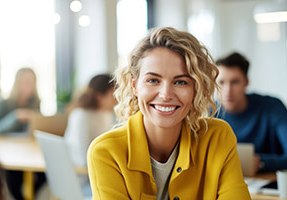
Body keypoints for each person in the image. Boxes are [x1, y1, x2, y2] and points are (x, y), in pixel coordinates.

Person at [87, 27, 250, 199]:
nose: (165, 95)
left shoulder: (217, 137)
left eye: (180, 82)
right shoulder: (106, 152)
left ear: (196, 88)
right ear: (135, 86)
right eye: (153, 80)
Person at [216, 52, 287, 174]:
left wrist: (261, 162)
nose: (228, 90)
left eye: (235, 82)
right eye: (221, 82)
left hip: (269, 187)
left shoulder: (272, 107)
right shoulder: (209, 113)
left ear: (246, 82)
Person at [0, 67, 46, 200]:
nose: (30, 85)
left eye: (32, 82)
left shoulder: (35, 102)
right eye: (26, 81)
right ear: (18, 82)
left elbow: (39, 128)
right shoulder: (3, 103)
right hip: (10, 152)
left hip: (30, 151)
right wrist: (15, 117)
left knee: (44, 174)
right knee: (13, 180)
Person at [64, 73, 116, 167]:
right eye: (112, 95)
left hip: (98, 167)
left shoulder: (107, 115)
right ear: (99, 96)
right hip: (80, 173)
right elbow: (83, 158)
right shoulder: (80, 116)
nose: (116, 100)